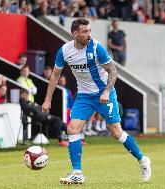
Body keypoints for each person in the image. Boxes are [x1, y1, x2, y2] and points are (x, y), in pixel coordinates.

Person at [42, 18, 151, 184]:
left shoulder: (96, 47)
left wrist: (107, 91)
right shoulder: (64, 51)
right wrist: (47, 99)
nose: (88, 34)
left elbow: (113, 71)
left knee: (116, 132)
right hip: (84, 96)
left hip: (104, 94)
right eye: (85, 32)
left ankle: (143, 160)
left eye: (89, 31)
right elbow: (55, 75)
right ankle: (77, 173)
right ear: (75, 34)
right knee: (72, 129)